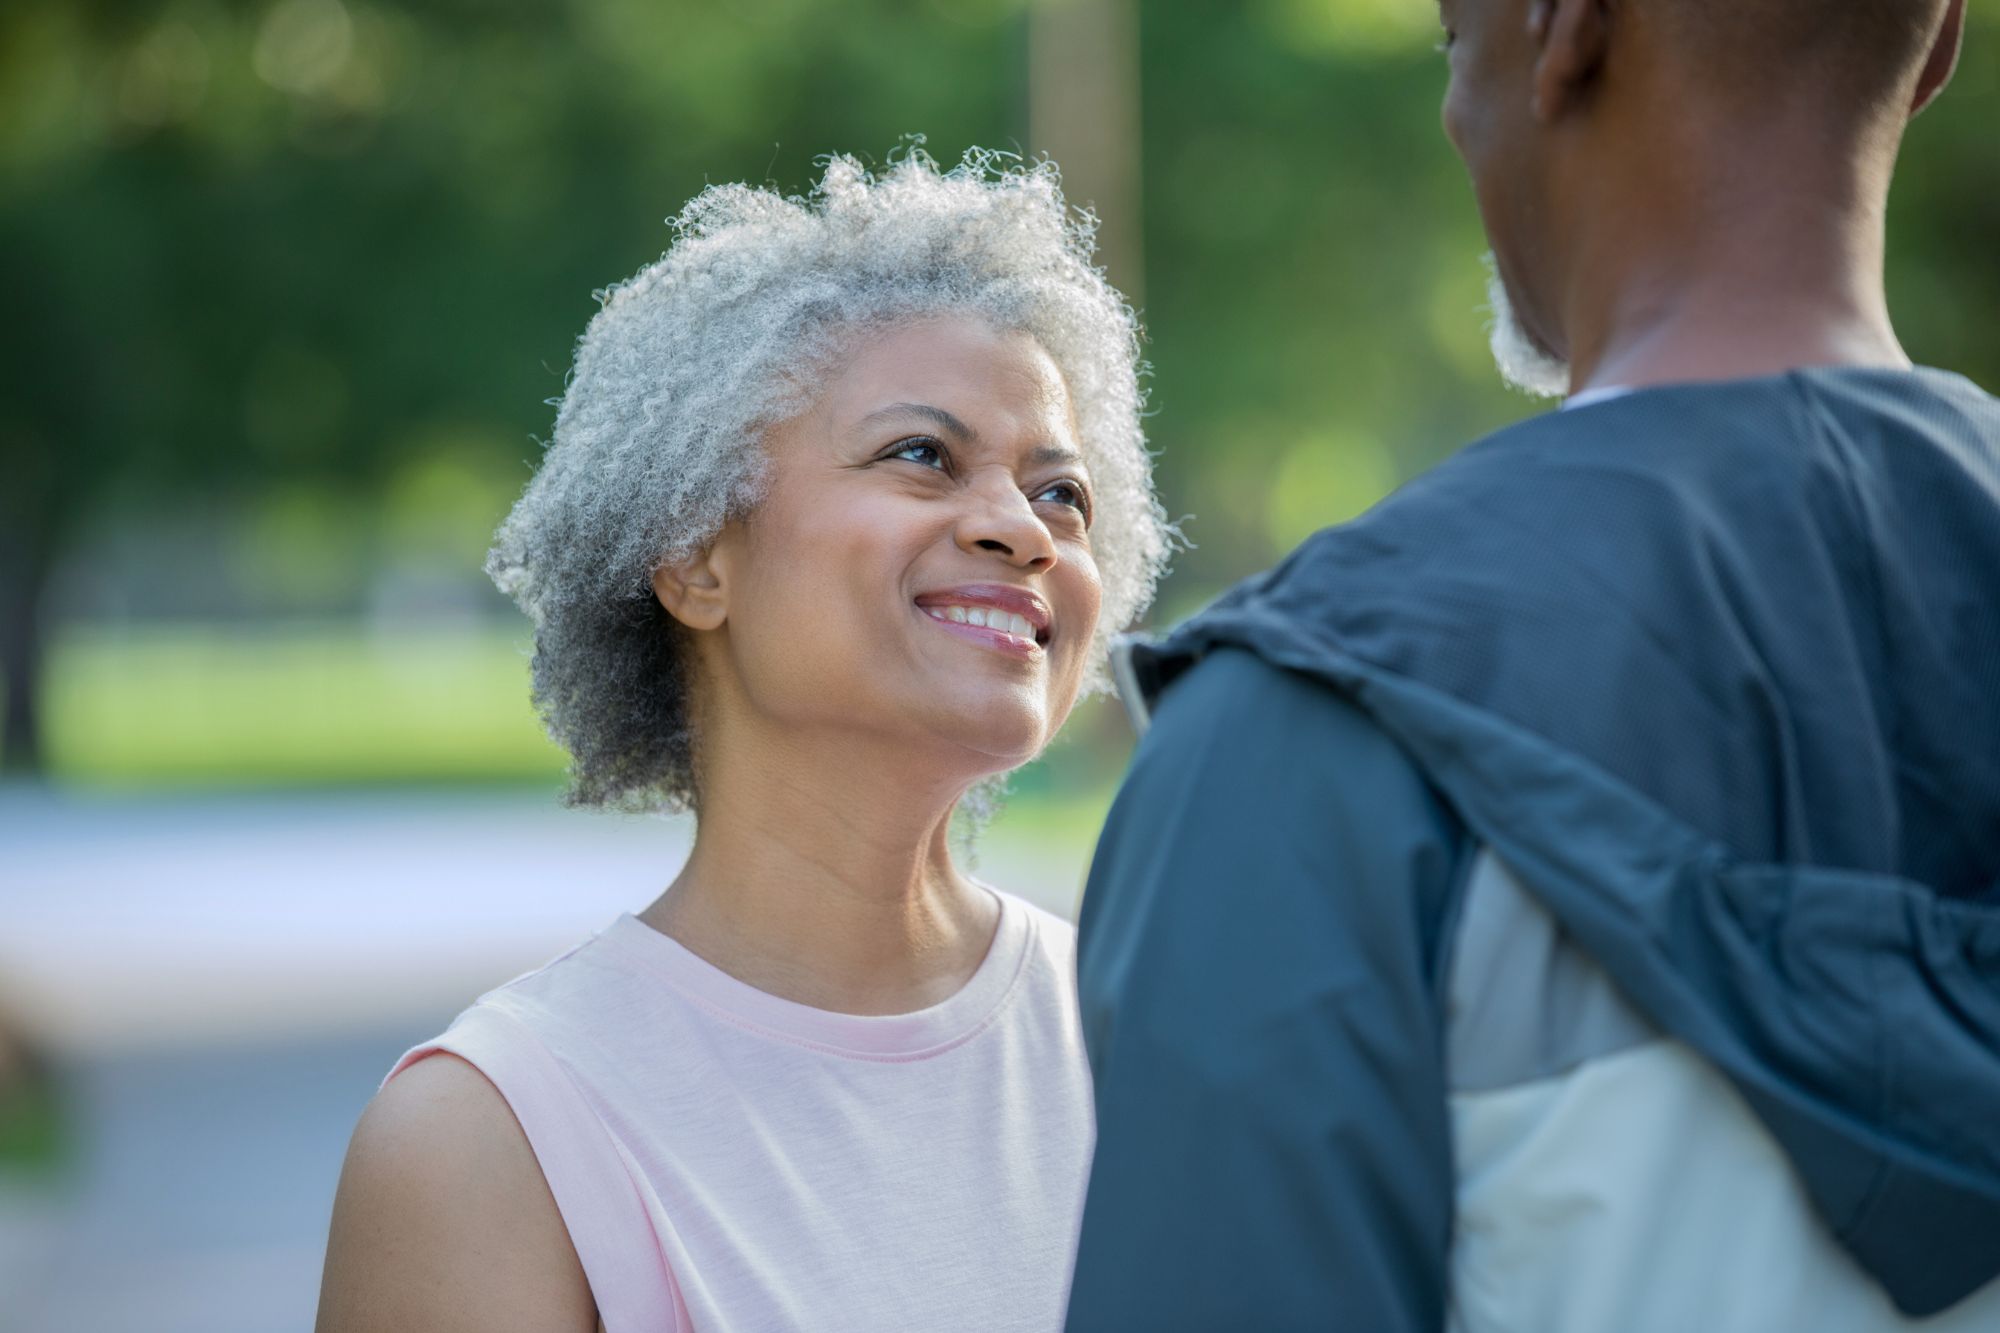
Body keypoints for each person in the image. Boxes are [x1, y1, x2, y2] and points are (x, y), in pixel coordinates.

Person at [1067, 2, 2000, 1330]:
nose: (1454, 114)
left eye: (1454, 36)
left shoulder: (1312, 732)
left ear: (1563, 27)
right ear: (1944, 45)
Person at [316, 149, 1171, 1333]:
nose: (1021, 532)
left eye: (1060, 492)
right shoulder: (490, 1141)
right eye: (920, 454)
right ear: (694, 557)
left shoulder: (1159, 1048)